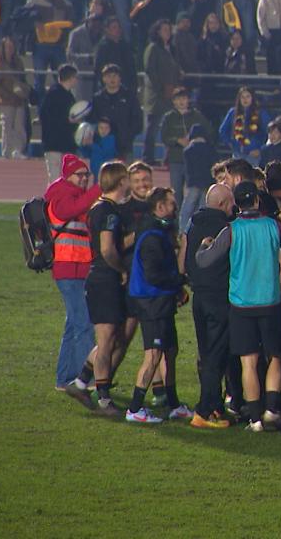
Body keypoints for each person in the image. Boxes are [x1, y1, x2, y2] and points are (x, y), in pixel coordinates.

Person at [196, 181, 281, 430]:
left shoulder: (231, 230)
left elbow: (204, 261)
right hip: (270, 303)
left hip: (241, 306)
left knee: (248, 362)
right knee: (275, 356)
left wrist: (203, 245)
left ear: (237, 203)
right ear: (256, 200)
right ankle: (272, 411)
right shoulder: (273, 225)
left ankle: (255, 419)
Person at [123, 187, 192, 423]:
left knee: (169, 351)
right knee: (153, 355)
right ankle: (134, 409)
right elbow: (154, 275)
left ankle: (173, 404)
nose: (175, 208)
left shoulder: (158, 230)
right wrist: (180, 281)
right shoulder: (152, 236)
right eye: (172, 204)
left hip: (161, 300)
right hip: (151, 302)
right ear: (160, 207)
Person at [70, 161, 130, 416]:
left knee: (111, 337)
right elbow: (107, 249)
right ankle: (104, 399)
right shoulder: (108, 211)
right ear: (120, 181)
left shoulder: (102, 208)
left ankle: (81, 382)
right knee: (106, 342)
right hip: (105, 280)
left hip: (101, 279)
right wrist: (121, 269)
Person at [46, 154, 102, 390]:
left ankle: (64, 378)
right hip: (67, 269)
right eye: (80, 175)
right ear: (67, 176)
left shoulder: (76, 196)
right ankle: (84, 378)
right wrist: (100, 187)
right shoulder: (60, 196)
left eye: (87, 175)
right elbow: (75, 209)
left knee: (73, 325)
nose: (84, 179)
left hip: (77, 269)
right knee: (84, 324)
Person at [183, 183, 236, 429]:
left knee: (207, 354)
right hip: (218, 297)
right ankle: (205, 410)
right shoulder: (225, 228)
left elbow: (184, 260)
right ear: (223, 204)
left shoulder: (193, 223)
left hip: (199, 297)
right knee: (216, 354)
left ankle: (214, 407)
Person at [161, 86, 213, 209]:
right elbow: (164, 137)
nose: (181, 102)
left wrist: (198, 141)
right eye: (178, 99)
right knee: (176, 192)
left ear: (188, 100)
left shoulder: (197, 116)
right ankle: (176, 218)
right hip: (176, 159)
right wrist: (177, 140)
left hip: (195, 161)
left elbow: (209, 132)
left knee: (194, 193)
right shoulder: (169, 117)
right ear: (173, 101)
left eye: (184, 98)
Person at [143, 19, 181, 166]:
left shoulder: (170, 48)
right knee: (152, 127)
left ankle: (168, 156)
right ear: (157, 32)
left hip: (170, 93)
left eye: (169, 29)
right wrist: (161, 87)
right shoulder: (153, 48)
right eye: (164, 29)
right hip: (156, 95)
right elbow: (150, 70)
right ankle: (148, 157)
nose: (167, 32)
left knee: (169, 126)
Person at [89, 64, 143, 162]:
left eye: (115, 76)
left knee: (125, 175)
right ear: (104, 79)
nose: (112, 79)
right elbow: (93, 120)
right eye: (109, 76)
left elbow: (138, 120)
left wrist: (128, 135)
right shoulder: (97, 98)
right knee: (103, 176)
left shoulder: (129, 97)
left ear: (120, 78)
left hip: (124, 147)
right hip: (103, 146)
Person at [38, 64, 80, 181]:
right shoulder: (55, 94)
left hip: (63, 143)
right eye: (75, 77)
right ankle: (54, 200)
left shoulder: (65, 94)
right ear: (71, 78)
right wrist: (69, 121)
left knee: (65, 177)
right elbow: (49, 118)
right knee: (56, 178)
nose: (76, 80)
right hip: (55, 143)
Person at [0, 36, 30, 160]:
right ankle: (6, 151)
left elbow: (22, 79)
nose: (10, 50)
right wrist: (7, 95)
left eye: (12, 47)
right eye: (7, 47)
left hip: (19, 98)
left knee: (19, 126)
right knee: (7, 126)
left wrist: (21, 92)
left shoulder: (18, 62)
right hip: (6, 100)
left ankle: (18, 150)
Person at [180, 124, 220, 233]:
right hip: (207, 182)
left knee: (187, 208)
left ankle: (183, 230)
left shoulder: (188, 151)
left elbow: (187, 170)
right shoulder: (210, 149)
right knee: (203, 208)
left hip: (193, 182)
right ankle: (200, 231)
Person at [220, 87, 270, 164]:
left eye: (248, 96)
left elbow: (270, 133)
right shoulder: (233, 112)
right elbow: (222, 131)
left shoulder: (261, 113)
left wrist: (261, 150)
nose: (245, 99)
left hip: (254, 156)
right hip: (237, 155)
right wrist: (231, 144)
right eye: (242, 97)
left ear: (252, 98)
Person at [93, 16, 136, 91]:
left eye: (119, 27)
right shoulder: (103, 47)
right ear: (107, 30)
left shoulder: (125, 45)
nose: (118, 30)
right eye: (114, 27)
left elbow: (131, 67)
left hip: (125, 86)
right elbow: (99, 68)